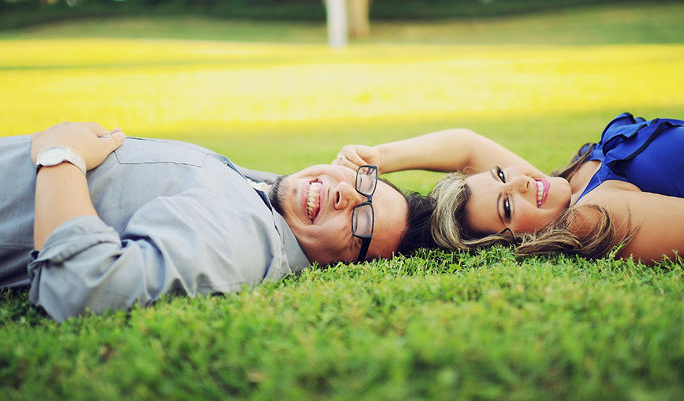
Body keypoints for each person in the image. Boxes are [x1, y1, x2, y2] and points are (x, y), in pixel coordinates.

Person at [1, 121, 431, 321]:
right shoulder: (268, 199)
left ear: (340, 265)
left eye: (362, 224)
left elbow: (82, 290)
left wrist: (62, 157)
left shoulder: (243, 239)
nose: (347, 194)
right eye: (366, 185)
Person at [333, 113, 684, 264]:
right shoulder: (593, 214)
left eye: (501, 176)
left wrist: (379, 155)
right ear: (515, 241)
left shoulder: (563, 191)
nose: (522, 181)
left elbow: (466, 145)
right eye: (507, 207)